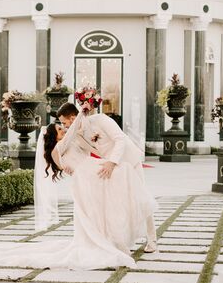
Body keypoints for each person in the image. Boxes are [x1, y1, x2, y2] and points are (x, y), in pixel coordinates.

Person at [0, 117, 156, 270]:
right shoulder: (58, 149)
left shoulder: (69, 143)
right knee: (97, 209)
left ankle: (115, 238)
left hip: (91, 173)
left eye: (63, 126)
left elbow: (85, 148)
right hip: (85, 179)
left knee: (109, 200)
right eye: (60, 129)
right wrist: (81, 114)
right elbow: (68, 145)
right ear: (54, 137)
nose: (64, 129)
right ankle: (108, 241)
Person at [56, 102, 158, 253]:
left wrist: (112, 161)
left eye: (64, 123)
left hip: (129, 161)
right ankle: (121, 240)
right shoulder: (76, 136)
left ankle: (152, 239)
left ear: (72, 118)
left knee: (141, 199)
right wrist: (71, 168)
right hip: (113, 171)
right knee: (119, 204)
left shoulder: (100, 119)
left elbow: (120, 139)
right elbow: (83, 156)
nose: (64, 127)